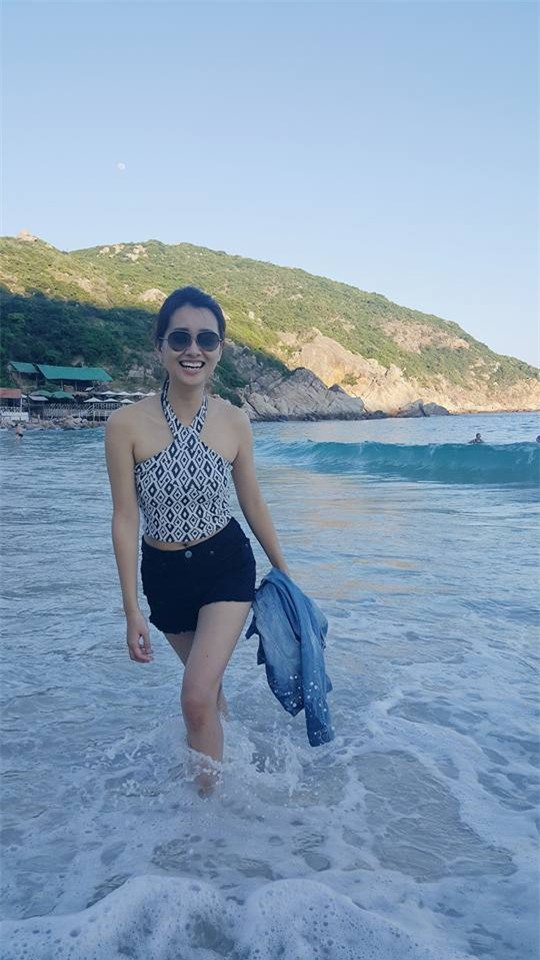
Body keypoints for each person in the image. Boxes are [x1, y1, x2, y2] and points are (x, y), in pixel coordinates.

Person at [105, 286, 289, 795]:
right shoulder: (124, 424)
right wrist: (131, 610)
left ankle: (207, 810)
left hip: (224, 563)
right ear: (160, 346)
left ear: (219, 349)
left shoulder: (235, 421)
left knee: (193, 695)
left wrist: (284, 570)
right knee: (207, 691)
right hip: (164, 576)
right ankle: (232, 764)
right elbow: (125, 518)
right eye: (180, 338)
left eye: (206, 339)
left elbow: (252, 502)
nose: (194, 349)